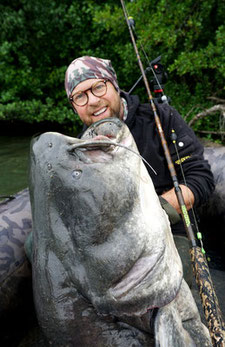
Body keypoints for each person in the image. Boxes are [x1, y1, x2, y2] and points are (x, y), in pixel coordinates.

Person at [29, 56, 216, 286]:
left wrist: (156, 212)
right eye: (80, 96)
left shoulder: (162, 118)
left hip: (170, 232)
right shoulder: (75, 153)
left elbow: (201, 179)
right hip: (110, 248)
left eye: (98, 87)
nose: (92, 101)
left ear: (114, 84)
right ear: (74, 105)